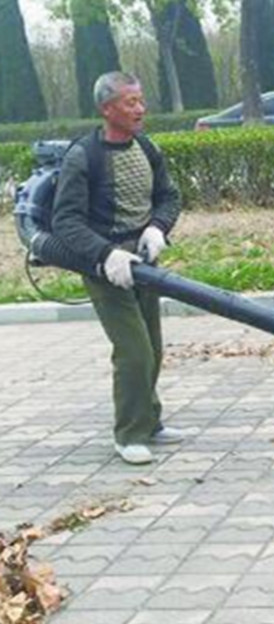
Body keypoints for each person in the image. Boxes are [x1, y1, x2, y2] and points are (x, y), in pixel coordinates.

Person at [52, 71, 182, 465]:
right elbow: (66, 221)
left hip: (145, 262)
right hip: (106, 268)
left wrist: (159, 227)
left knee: (153, 349)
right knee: (133, 352)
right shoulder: (83, 156)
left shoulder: (146, 146)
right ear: (107, 109)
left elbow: (168, 195)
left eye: (141, 100)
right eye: (130, 102)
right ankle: (128, 435)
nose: (140, 109)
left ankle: (150, 421)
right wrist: (106, 254)